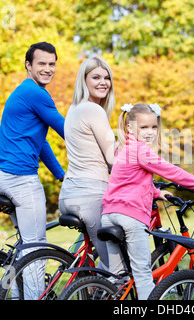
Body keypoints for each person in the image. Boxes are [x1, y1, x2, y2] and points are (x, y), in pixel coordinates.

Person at [101, 103, 194, 300]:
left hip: (108, 215)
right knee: (142, 273)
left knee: (117, 276)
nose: (150, 132)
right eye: (144, 127)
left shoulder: (122, 149)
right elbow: (172, 172)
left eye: (154, 127)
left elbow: (131, 180)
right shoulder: (142, 151)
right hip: (130, 216)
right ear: (130, 128)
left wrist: (156, 192)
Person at [0, 42, 65, 298]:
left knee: (25, 246)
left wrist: (60, 175)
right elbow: (66, 130)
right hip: (21, 180)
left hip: (2, 177)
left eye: (51, 64)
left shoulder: (24, 92)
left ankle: (15, 296)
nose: (47, 69)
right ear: (28, 65)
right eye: (41, 63)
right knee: (37, 248)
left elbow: (40, 142)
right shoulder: (37, 94)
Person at [58, 56, 116, 271]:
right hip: (90, 194)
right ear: (84, 80)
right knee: (117, 267)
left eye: (107, 77)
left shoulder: (74, 109)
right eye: (96, 77)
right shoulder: (93, 110)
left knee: (97, 255)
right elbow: (113, 159)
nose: (103, 82)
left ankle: (90, 288)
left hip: (69, 193)